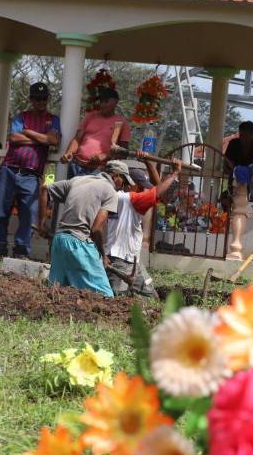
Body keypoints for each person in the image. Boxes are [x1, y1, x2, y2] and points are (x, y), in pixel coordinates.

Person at [0, 82, 61, 258]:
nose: (41, 101)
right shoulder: (22, 116)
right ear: (31, 99)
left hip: (32, 174)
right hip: (9, 170)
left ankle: (21, 252)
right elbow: (13, 138)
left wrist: (28, 133)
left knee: (28, 215)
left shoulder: (53, 119)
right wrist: (41, 139)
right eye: (37, 98)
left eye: (44, 98)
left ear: (48, 99)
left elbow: (53, 140)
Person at [42, 162, 131, 297]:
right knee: (105, 296)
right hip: (79, 244)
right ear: (116, 175)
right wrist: (103, 255)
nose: (122, 187)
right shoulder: (110, 191)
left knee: (58, 293)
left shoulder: (78, 180)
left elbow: (44, 190)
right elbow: (96, 229)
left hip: (59, 241)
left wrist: (41, 223)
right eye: (123, 182)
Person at [105, 154, 182, 298]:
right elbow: (158, 193)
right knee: (115, 298)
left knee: (151, 296)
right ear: (131, 184)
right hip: (120, 261)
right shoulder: (128, 199)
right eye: (141, 188)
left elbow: (157, 191)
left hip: (133, 261)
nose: (144, 192)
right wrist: (175, 173)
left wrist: (148, 163)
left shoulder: (118, 197)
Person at [60, 89, 131, 178]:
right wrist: (69, 153)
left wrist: (105, 156)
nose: (102, 105)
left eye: (106, 101)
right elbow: (77, 139)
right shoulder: (90, 116)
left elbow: (124, 152)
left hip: (99, 170)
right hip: (76, 166)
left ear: (116, 102)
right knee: (72, 192)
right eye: (101, 102)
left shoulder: (122, 122)